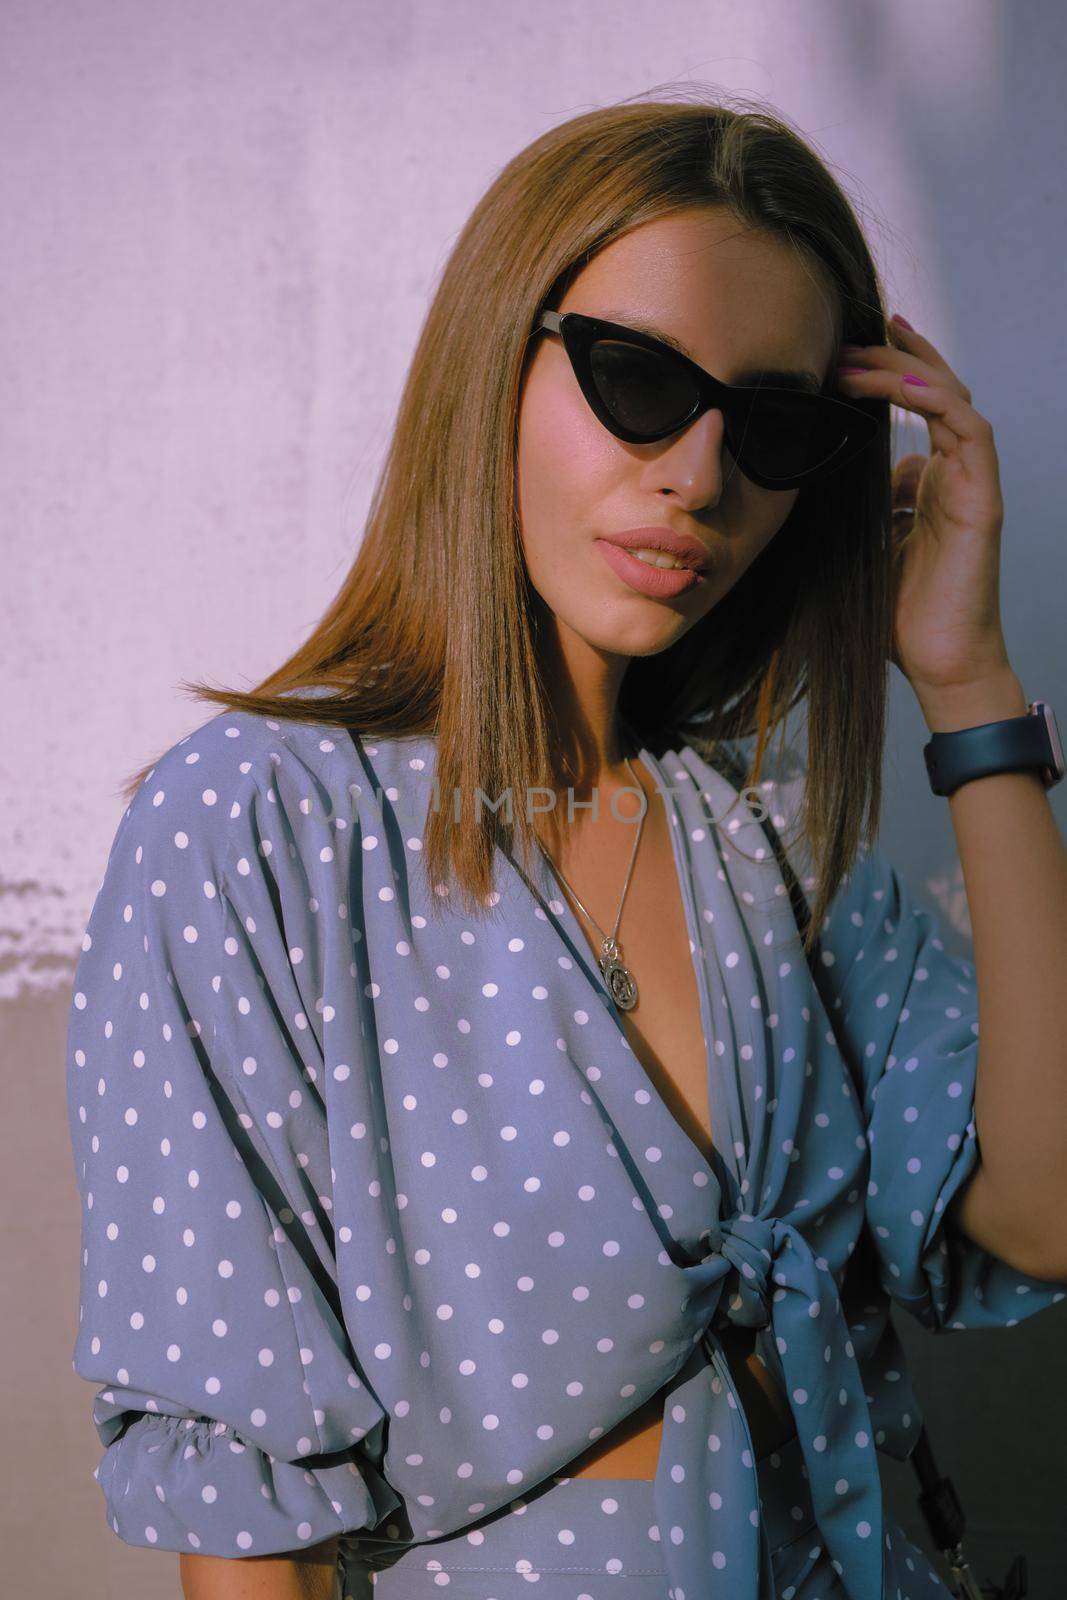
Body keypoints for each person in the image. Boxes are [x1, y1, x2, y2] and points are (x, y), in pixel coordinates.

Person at [66, 89, 1067, 1600]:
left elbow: (1044, 1218)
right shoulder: (258, 826)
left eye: (777, 425)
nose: (699, 477)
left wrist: (972, 685)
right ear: (498, 365)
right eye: (637, 381)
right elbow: (250, 1518)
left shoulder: (772, 830)